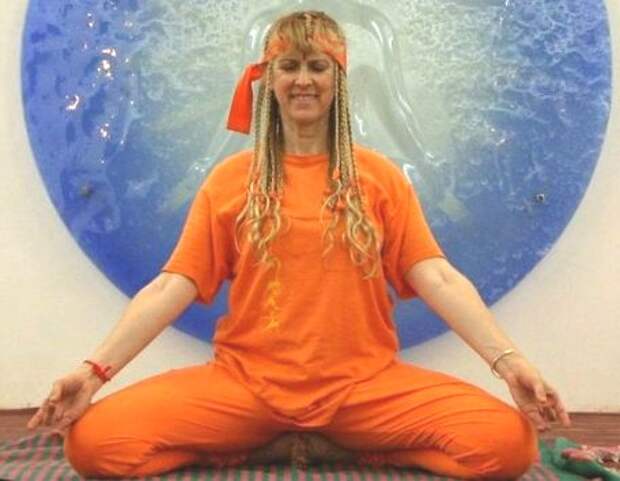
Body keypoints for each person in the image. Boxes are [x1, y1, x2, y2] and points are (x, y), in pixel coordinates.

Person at [28, 10, 571, 479]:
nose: (303, 80)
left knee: (507, 446)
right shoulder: (229, 181)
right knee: (94, 445)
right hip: (246, 388)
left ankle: (348, 446)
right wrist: (93, 372)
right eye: (289, 66)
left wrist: (510, 363)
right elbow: (172, 285)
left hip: (364, 388)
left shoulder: (380, 178)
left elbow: (439, 277)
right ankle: (265, 445)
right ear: (268, 79)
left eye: (318, 66)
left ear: (339, 78)